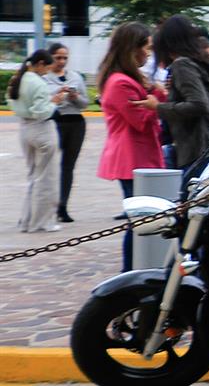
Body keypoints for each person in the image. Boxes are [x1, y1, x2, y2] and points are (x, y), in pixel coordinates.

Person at [96, 23, 162, 267]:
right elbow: (140, 121)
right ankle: (130, 269)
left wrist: (154, 95)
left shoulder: (128, 79)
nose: (149, 54)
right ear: (133, 49)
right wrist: (155, 105)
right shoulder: (120, 82)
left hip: (140, 155)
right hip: (133, 157)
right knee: (140, 222)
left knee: (144, 220)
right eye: (147, 48)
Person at [153, 14, 209, 172]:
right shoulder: (207, 61)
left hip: (197, 148)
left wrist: (158, 107)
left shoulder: (182, 64)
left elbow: (198, 104)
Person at [11, 48, 60, 233]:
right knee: (46, 178)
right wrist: (54, 101)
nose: (47, 72)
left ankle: (27, 220)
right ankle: (42, 222)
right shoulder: (38, 83)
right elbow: (42, 112)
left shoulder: (18, 78)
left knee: (32, 176)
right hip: (41, 130)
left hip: (24, 129)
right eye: (47, 68)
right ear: (40, 64)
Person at [44, 43, 88, 223]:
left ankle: (63, 205)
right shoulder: (44, 78)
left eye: (65, 58)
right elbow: (42, 102)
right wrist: (58, 95)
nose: (62, 61)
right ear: (50, 58)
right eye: (58, 58)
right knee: (50, 166)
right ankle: (47, 206)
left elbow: (84, 103)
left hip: (75, 122)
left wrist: (74, 96)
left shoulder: (75, 77)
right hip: (55, 122)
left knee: (68, 166)